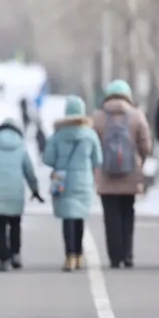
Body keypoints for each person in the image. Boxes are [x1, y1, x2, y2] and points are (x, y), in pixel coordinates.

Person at [92, 79, 153, 268]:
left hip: (106, 175)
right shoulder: (137, 116)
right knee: (128, 214)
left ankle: (114, 257)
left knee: (111, 217)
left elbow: (92, 146)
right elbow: (146, 145)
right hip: (130, 174)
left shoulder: (97, 117)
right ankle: (128, 255)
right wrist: (140, 160)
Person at [43, 95, 103, 272]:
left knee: (67, 218)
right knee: (79, 218)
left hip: (64, 181)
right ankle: (79, 255)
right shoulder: (90, 135)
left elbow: (48, 158)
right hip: (83, 181)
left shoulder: (58, 135)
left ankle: (69, 255)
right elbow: (97, 159)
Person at [0, 119, 43, 271]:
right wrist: (35, 190)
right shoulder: (21, 148)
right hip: (15, 192)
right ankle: (15, 254)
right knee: (15, 225)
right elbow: (29, 172)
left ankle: (4, 259)